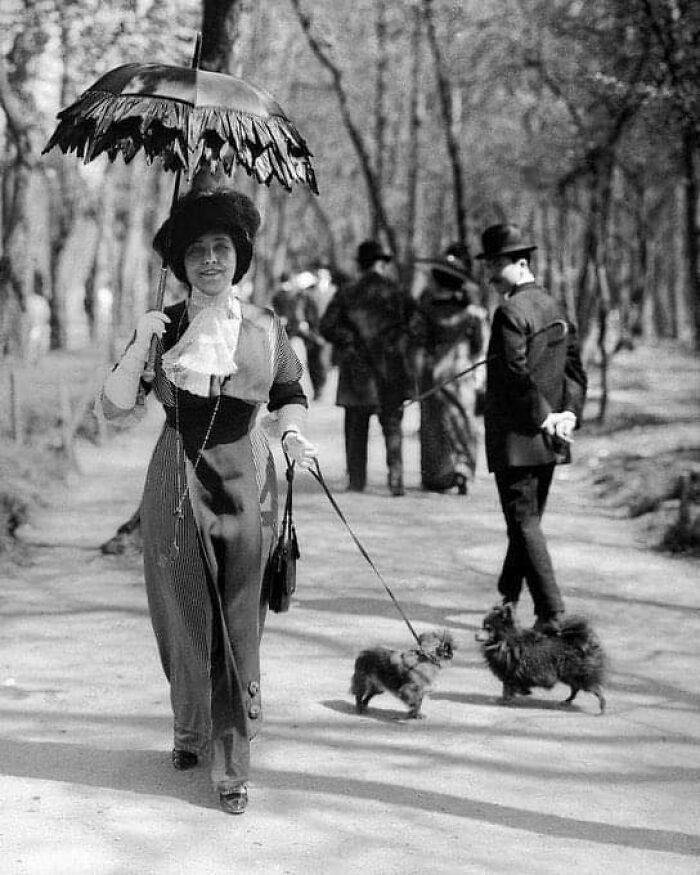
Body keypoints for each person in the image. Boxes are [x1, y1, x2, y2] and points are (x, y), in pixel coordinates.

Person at [98, 187, 318, 816]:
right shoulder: (161, 328)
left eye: (222, 248)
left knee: (238, 621)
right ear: (181, 263)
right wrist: (142, 342)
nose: (210, 260)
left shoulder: (265, 327)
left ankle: (232, 762)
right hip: (174, 481)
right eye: (196, 251)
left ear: (239, 258)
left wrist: (295, 434)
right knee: (182, 614)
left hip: (247, 478)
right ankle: (190, 730)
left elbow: (290, 389)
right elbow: (114, 409)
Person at [478, 223, 587, 633]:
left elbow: (513, 373)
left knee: (523, 523)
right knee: (526, 523)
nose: (490, 273)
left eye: (496, 264)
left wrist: (547, 417)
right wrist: (567, 415)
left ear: (521, 263)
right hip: (550, 437)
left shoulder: (509, 312)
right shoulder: (556, 307)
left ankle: (551, 611)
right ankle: (507, 597)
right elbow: (576, 372)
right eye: (488, 264)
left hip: (519, 439)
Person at [320, 240, 414, 496]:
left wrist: (348, 341)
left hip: (357, 369)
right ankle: (396, 480)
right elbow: (414, 327)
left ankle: (356, 480)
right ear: (382, 263)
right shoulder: (398, 293)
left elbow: (326, 326)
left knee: (356, 426)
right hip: (390, 368)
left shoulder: (347, 292)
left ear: (361, 264)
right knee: (392, 425)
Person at [410, 243, 486, 494]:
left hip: (432, 372)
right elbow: (478, 345)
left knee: (433, 424)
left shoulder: (425, 310)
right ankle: (463, 468)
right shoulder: (471, 313)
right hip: (461, 371)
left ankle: (436, 475)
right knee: (463, 420)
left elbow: (417, 340)